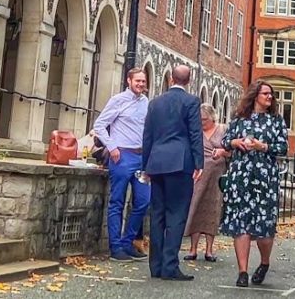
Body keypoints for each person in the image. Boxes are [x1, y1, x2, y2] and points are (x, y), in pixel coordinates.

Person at [219, 81, 288, 288]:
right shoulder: (239, 118)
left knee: (264, 227)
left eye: (271, 94)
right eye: (266, 93)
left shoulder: (276, 120)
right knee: (241, 223)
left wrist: (263, 146)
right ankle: (242, 271)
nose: (270, 97)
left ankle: (264, 263)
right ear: (255, 95)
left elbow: (283, 147)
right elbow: (225, 141)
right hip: (241, 176)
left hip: (265, 179)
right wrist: (235, 143)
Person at [141, 64, 204, 281]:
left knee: (157, 214)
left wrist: (145, 165)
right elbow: (195, 133)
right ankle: (170, 266)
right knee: (176, 215)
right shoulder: (191, 101)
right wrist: (199, 163)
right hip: (180, 162)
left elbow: (147, 135)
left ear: (171, 79)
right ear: (189, 80)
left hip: (157, 162)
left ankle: (155, 265)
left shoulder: (155, 102)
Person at [94, 68, 151, 262]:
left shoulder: (145, 103)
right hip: (122, 156)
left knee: (144, 200)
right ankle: (116, 247)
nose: (140, 84)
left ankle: (128, 242)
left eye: (143, 81)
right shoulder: (118, 100)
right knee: (117, 201)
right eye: (137, 81)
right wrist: (112, 147)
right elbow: (99, 125)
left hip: (140, 158)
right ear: (129, 81)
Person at [184, 104, 229, 263]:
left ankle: (209, 250)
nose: (201, 122)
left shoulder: (223, 130)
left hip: (217, 174)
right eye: (200, 119)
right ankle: (193, 249)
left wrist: (222, 153)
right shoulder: (195, 131)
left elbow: (232, 150)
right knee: (196, 207)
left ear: (212, 118)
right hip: (199, 174)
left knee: (213, 209)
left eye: (204, 119)